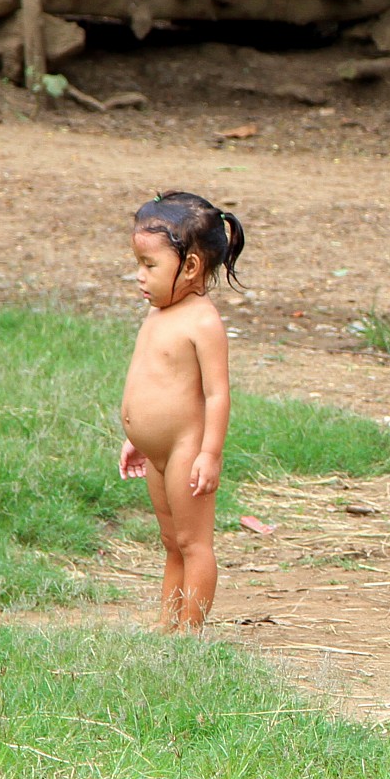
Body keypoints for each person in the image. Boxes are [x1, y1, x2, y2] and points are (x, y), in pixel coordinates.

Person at [120, 191, 244, 632]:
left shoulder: (202, 322)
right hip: (157, 452)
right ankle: (166, 624)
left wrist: (209, 454)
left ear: (190, 267)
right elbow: (150, 380)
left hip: (187, 451)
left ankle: (191, 633)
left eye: (150, 266)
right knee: (171, 541)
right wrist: (137, 437)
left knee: (193, 543)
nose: (139, 276)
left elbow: (217, 394)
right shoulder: (157, 313)